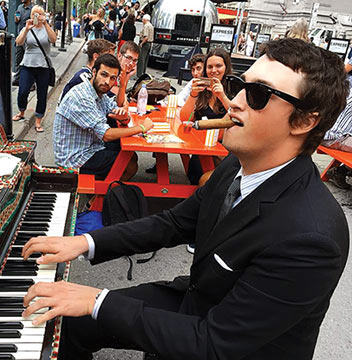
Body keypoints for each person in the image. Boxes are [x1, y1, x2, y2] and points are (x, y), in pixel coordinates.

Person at [21, 38, 349, 360]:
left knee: (89, 308)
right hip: (198, 304)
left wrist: (97, 300)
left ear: (306, 120)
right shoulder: (236, 166)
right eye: (239, 85)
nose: (234, 102)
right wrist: (84, 243)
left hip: (224, 342)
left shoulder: (312, 238)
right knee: (69, 321)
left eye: (259, 94)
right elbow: (174, 222)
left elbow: (214, 343)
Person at [53, 54, 153, 180]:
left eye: (112, 78)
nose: (107, 82)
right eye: (104, 75)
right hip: (75, 158)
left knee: (130, 155)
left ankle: (104, 184)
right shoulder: (82, 97)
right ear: (94, 72)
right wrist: (142, 128)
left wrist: (123, 117)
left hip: (90, 146)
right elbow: (106, 134)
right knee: (129, 165)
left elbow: (115, 107)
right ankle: (100, 196)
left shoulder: (98, 91)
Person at [180, 48, 232, 184]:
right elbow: (185, 119)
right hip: (201, 150)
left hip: (225, 151)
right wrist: (193, 95)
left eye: (218, 66)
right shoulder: (203, 89)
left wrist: (222, 96)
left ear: (226, 67)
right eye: (210, 67)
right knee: (198, 176)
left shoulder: (234, 88)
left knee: (207, 181)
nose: (214, 70)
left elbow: (238, 116)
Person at [12, 5, 57, 133]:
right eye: (34, 14)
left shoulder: (47, 28)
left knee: (42, 94)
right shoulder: (27, 27)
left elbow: (53, 39)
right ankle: (21, 112)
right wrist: (26, 29)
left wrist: (46, 24)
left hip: (43, 66)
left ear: (43, 15)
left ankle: (38, 120)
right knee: (23, 91)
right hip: (27, 64)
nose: (36, 17)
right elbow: (18, 42)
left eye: (39, 14)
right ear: (31, 15)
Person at [321, 56, 352, 189]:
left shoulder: (346, 84)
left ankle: (341, 172)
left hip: (327, 133)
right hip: (335, 136)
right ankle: (340, 171)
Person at [12, 0, 33, 86]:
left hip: (29, 38)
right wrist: (16, 19)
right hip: (20, 37)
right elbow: (16, 21)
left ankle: (31, 83)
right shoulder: (19, 7)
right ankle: (17, 78)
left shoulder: (33, 9)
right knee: (18, 58)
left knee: (28, 60)